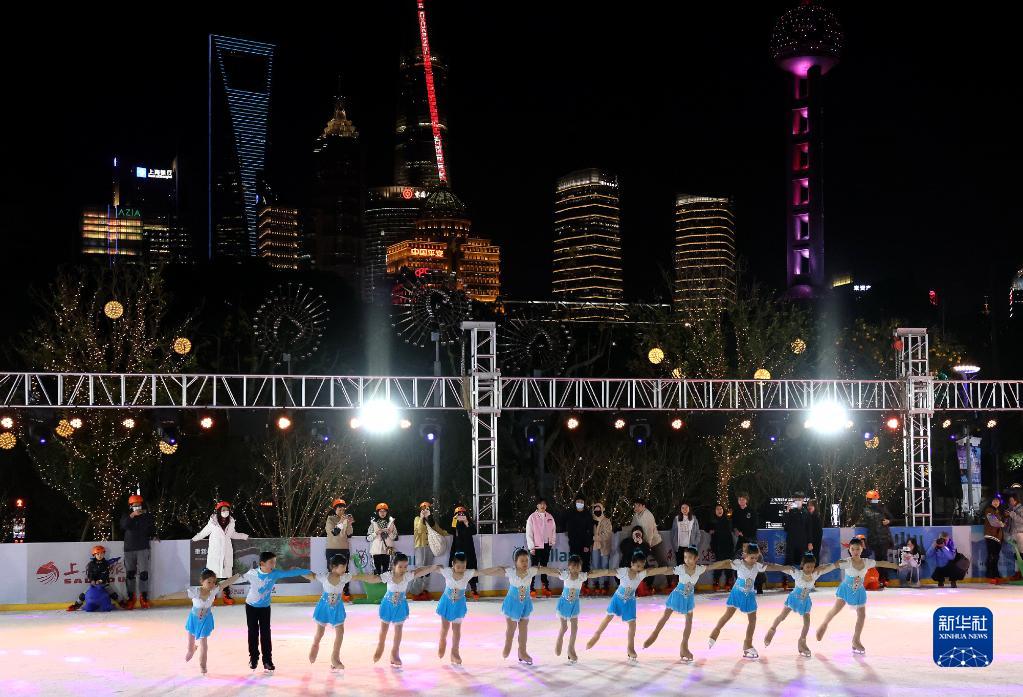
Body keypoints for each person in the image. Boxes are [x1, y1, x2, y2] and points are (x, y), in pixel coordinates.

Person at [644, 546, 733, 663]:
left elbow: (714, 566)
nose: (687, 560)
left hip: (688, 598)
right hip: (677, 595)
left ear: (696, 558)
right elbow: (665, 570)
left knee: (689, 622)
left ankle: (684, 647)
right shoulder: (681, 568)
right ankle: (654, 635)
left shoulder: (699, 569)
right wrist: (647, 572)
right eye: (685, 557)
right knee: (665, 617)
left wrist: (727, 562)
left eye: (690, 557)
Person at [356, 552, 440, 669]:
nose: (403, 569)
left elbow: (420, 571)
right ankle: (380, 646)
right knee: (384, 629)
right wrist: (357, 577)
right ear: (393, 566)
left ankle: (395, 653)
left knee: (398, 630)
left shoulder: (407, 576)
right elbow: (374, 579)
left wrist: (432, 567)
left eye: (405, 566)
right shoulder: (389, 576)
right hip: (388, 605)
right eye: (400, 566)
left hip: (400, 605)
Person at [585, 550, 673, 662]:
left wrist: (674, 570)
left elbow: (657, 570)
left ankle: (630, 647)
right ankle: (596, 636)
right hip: (618, 599)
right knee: (608, 618)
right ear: (632, 563)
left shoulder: (641, 574)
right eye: (637, 566)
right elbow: (607, 572)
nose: (640, 568)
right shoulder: (624, 571)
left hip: (630, 602)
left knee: (632, 624)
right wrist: (590, 574)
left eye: (642, 566)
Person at [816, 537, 899, 654]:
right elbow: (831, 566)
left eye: (857, 549)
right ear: (849, 550)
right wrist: (819, 571)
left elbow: (882, 563)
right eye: (853, 549)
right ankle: (823, 625)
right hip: (846, 590)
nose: (855, 551)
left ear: (861, 549)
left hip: (859, 591)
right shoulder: (847, 562)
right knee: (835, 610)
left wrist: (897, 566)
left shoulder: (866, 562)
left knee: (861, 615)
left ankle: (856, 639)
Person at [707, 543, 790, 659]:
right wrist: (708, 567)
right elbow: (724, 563)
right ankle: (714, 634)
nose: (754, 560)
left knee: (752, 620)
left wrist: (785, 568)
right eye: (752, 557)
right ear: (745, 555)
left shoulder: (757, 566)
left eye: (756, 557)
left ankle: (747, 644)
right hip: (737, 592)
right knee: (728, 615)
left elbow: (772, 566)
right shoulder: (739, 564)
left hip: (749, 595)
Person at [243, 551, 312, 673]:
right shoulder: (252, 573)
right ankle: (253, 658)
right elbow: (237, 578)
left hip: (265, 608)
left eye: (275, 562)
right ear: (262, 563)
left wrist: (307, 571)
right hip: (251, 607)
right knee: (253, 632)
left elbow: (289, 573)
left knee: (265, 633)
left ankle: (267, 661)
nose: (274, 565)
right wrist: (219, 585)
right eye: (271, 562)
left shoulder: (274, 573)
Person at [763, 552, 842, 658]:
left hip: (805, 601)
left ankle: (802, 642)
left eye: (812, 567)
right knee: (782, 617)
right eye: (808, 566)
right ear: (802, 565)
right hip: (794, 599)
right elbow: (780, 568)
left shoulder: (815, 574)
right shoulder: (797, 573)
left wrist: (838, 564)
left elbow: (829, 567)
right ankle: (772, 630)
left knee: (807, 623)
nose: (810, 569)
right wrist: (767, 566)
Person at [542, 554, 616, 664]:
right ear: (569, 566)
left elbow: (594, 574)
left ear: (580, 567)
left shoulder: (581, 576)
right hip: (564, 604)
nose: (575, 568)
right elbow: (551, 571)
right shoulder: (565, 575)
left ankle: (571, 649)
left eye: (578, 566)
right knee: (564, 627)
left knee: (574, 628)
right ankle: (559, 640)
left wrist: (607, 572)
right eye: (573, 566)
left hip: (574, 605)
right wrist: (539, 569)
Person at [436, 552, 502, 665]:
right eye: (458, 567)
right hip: (446, 603)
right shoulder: (447, 572)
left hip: (459, 605)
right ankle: (442, 642)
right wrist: (428, 568)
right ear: (453, 564)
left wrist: (496, 568)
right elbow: (434, 569)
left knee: (456, 630)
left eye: (463, 566)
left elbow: (483, 572)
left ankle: (455, 652)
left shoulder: (467, 573)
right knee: (445, 628)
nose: (461, 569)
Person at [476, 549, 540, 665]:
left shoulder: (531, 571)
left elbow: (546, 570)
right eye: (522, 561)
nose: (525, 563)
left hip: (525, 603)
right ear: (516, 562)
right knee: (511, 628)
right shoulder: (511, 572)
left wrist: (563, 573)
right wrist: (478, 573)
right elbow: (494, 572)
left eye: (526, 560)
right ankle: (508, 643)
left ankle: (522, 652)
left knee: (523, 629)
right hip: (512, 604)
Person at [183, 569, 243, 675]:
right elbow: (180, 594)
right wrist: (164, 596)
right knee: (190, 649)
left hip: (206, 619)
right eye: (209, 582)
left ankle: (203, 665)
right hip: (193, 619)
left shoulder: (214, 590)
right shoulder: (195, 591)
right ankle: (192, 649)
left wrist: (238, 575)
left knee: (204, 643)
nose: (211, 584)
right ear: (202, 582)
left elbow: (227, 582)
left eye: (213, 582)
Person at [305, 554, 359, 671]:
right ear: (334, 567)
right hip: (324, 606)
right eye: (342, 567)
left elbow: (359, 577)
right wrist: (298, 571)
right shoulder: (324, 576)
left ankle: (335, 658)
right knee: (320, 633)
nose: (345, 569)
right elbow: (311, 576)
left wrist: (376, 578)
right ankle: (315, 646)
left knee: (340, 632)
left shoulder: (344, 577)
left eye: (345, 566)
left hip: (337, 607)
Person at [191, 501, 249, 605]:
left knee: (226, 575)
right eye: (223, 510)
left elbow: (232, 534)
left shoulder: (231, 522)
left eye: (227, 509)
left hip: (226, 551)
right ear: (218, 511)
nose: (225, 511)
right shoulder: (212, 523)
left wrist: (244, 536)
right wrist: (194, 539)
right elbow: (204, 532)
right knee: (213, 574)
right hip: (215, 552)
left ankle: (226, 595)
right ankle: (212, 595)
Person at [119, 493, 156, 610]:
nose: (137, 507)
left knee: (144, 574)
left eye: (139, 505)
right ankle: (131, 597)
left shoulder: (147, 516)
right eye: (135, 505)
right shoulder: (126, 515)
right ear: (130, 506)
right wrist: (132, 515)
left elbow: (151, 527)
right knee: (130, 574)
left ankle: (143, 597)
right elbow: (123, 526)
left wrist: (154, 534)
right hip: (129, 549)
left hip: (143, 548)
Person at [411, 501, 448, 600]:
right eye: (423, 509)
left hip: (430, 547)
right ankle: (415, 592)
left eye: (427, 509)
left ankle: (424, 590)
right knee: (420, 568)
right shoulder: (417, 519)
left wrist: (449, 533)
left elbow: (439, 531)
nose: (425, 510)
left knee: (428, 570)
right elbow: (419, 530)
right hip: (420, 546)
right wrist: (422, 518)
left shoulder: (431, 521)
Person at [857, 490, 894, 588]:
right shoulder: (866, 510)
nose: (872, 501)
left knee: (883, 558)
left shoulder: (882, 508)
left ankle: (885, 579)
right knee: (877, 559)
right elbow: (865, 522)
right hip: (874, 537)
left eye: (874, 499)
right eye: (871, 499)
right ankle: (880, 579)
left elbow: (891, 518)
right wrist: (857, 524)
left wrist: (888, 521)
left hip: (884, 536)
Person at [632, 498, 670, 592]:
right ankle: (646, 585)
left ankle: (671, 584)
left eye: (638, 505)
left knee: (663, 563)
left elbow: (649, 532)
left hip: (655, 543)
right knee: (643, 563)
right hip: (644, 543)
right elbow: (633, 527)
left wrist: (647, 546)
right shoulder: (636, 515)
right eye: (635, 505)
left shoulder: (647, 515)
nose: (636, 507)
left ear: (643, 506)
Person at [67, 545, 119, 612]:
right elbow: (89, 573)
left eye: (101, 554)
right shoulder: (91, 564)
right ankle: (76, 605)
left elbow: (106, 574)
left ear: (104, 554)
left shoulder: (106, 563)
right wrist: (92, 580)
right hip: (93, 584)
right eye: (98, 554)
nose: (100, 555)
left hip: (104, 583)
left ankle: (121, 602)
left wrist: (101, 580)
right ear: (94, 555)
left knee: (113, 593)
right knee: (83, 594)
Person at [732, 493, 764, 594]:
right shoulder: (736, 511)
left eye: (743, 499)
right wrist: (736, 530)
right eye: (739, 499)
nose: (741, 501)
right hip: (740, 541)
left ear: (746, 500)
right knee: (737, 561)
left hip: (751, 540)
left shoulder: (752, 511)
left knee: (757, 562)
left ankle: (759, 586)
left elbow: (755, 525)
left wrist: (745, 533)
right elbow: (733, 524)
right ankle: (739, 584)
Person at [525, 498, 556, 597]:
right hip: (536, 546)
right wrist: (531, 547)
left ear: (546, 506)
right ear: (537, 506)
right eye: (540, 504)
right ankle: (530, 587)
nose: (542, 506)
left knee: (544, 567)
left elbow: (553, 530)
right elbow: (529, 533)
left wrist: (551, 542)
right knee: (534, 567)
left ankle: (545, 586)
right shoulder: (532, 517)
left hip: (546, 545)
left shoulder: (550, 516)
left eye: (544, 504)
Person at [448, 505, 480, 600]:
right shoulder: (455, 523)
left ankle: (473, 589)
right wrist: (454, 520)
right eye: (458, 514)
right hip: (457, 550)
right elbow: (451, 531)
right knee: (457, 569)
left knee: (471, 567)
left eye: (462, 514)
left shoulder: (468, 522)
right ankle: (456, 589)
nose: (460, 515)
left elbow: (474, 531)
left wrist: (466, 522)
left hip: (469, 550)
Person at [325, 498, 354, 600]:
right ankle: (331, 592)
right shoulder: (330, 519)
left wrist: (349, 523)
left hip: (344, 548)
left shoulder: (345, 519)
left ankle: (345, 592)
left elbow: (350, 534)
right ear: (335, 509)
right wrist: (341, 521)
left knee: (345, 571)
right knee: (331, 570)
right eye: (339, 509)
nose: (341, 511)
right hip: (332, 548)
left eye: (343, 509)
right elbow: (334, 532)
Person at [782, 494, 811, 589]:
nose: (798, 500)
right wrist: (787, 511)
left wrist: (810, 542)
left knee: (803, 562)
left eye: (800, 499)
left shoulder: (806, 512)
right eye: (796, 499)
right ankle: (785, 581)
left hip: (803, 542)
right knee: (789, 561)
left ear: (803, 500)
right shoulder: (790, 511)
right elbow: (785, 526)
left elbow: (809, 528)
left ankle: (803, 581)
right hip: (791, 541)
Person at [672, 502, 701, 590]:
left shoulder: (693, 519)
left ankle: (690, 585)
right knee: (680, 566)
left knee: (690, 566)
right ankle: (680, 585)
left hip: (690, 547)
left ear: (689, 508)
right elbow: (673, 533)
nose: (684, 509)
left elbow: (698, 533)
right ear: (680, 509)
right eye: (682, 508)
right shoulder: (676, 519)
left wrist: (694, 544)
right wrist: (674, 544)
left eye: (686, 507)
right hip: (679, 547)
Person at [564, 495, 594, 575]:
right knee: (574, 563)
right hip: (573, 544)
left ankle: (584, 581)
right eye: (578, 501)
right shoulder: (571, 513)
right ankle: (574, 580)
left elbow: (590, 531)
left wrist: (587, 544)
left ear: (584, 503)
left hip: (584, 544)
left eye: (581, 502)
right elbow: (567, 526)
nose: (579, 503)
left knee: (585, 564)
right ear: (575, 502)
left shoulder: (588, 515)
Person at [706, 503, 735, 591]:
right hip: (717, 545)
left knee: (728, 564)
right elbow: (706, 528)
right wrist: (709, 530)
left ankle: (728, 582)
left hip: (728, 545)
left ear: (723, 510)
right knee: (718, 564)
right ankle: (716, 581)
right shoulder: (712, 521)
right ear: (715, 511)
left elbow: (732, 530)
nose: (719, 511)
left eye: (721, 509)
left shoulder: (728, 520)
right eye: (717, 509)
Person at [618, 526, 652, 596]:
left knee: (649, 573)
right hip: (629, 566)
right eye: (636, 534)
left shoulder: (644, 543)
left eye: (639, 534)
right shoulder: (626, 542)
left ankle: (643, 587)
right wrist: (632, 542)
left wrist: (641, 544)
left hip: (641, 567)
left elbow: (647, 553)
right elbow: (624, 551)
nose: (637, 536)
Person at [589, 501, 614, 595]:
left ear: (602, 510)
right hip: (595, 546)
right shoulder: (591, 521)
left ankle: (605, 584)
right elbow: (589, 532)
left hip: (604, 546)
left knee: (604, 565)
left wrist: (597, 537)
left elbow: (608, 534)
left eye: (599, 510)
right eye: (595, 510)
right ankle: (596, 584)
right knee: (595, 565)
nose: (597, 511)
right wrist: (593, 538)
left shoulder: (606, 521)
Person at [367, 502, 398, 576]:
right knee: (377, 570)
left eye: (384, 511)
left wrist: (389, 533)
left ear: (387, 512)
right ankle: (378, 582)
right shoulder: (373, 523)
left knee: (387, 571)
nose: (382, 513)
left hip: (389, 549)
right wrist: (376, 533)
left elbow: (395, 537)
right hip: (376, 549)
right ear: (377, 512)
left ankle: (386, 583)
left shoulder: (391, 523)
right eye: (380, 511)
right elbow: (368, 538)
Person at [983, 497, 1006, 582]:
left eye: (997, 501)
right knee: (992, 556)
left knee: (996, 556)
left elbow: (1001, 522)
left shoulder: (999, 511)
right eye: (994, 501)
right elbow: (993, 521)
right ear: (991, 502)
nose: (996, 503)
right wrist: (1002, 524)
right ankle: (990, 574)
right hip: (991, 536)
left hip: (998, 537)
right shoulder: (988, 510)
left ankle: (995, 574)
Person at [1006, 492, 1023, 580]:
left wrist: (1013, 515)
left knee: (1021, 554)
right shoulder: (1011, 509)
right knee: (1016, 554)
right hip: (1013, 534)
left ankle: (1021, 572)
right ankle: (1017, 573)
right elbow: (1010, 523)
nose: (1010, 502)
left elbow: (1022, 520)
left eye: (1012, 500)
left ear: (1016, 500)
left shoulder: (1021, 508)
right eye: (1010, 500)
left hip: (1020, 533)